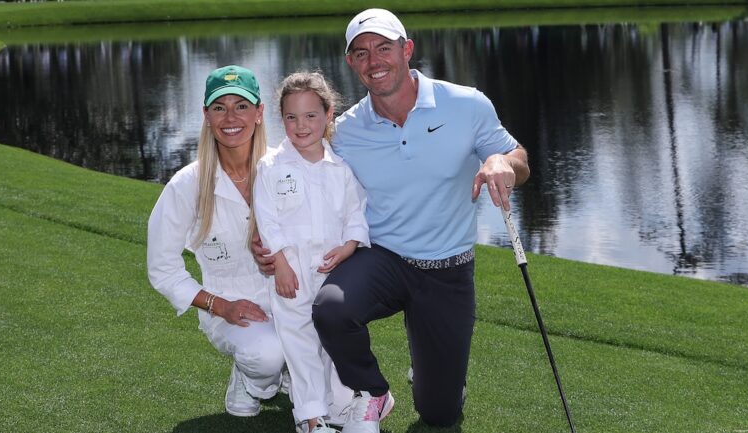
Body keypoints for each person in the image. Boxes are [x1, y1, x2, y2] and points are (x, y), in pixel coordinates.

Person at [254, 8, 530, 432]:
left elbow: (519, 158)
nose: (374, 61)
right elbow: (293, 171)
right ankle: (373, 392)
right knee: (329, 311)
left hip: (448, 269)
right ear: (351, 63)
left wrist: (501, 162)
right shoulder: (344, 131)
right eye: (361, 53)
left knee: (439, 413)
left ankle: (432, 376)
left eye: (384, 48)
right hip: (382, 259)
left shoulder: (466, 104)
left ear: (407, 49)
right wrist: (267, 238)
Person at [147, 65, 286, 418]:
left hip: (291, 303)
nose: (230, 117)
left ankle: (288, 369)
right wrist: (219, 305)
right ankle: (257, 375)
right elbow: (161, 267)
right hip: (230, 311)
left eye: (241, 106)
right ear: (206, 115)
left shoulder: (286, 171)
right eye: (219, 107)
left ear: (259, 113)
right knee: (266, 357)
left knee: (337, 384)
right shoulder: (186, 185)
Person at [253, 71, 368, 433]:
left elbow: (355, 214)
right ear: (281, 119)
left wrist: (350, 246)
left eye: (310, 116)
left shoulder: (341, 170)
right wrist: (282, 263)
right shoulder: (271, 166)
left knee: (331, 343)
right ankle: (311, 418)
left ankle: (343, 407)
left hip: (332, 274)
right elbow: (267, 220)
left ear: (329, 114)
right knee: (301, 346)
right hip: (291, 275)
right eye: (291, 117)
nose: (301, 126)